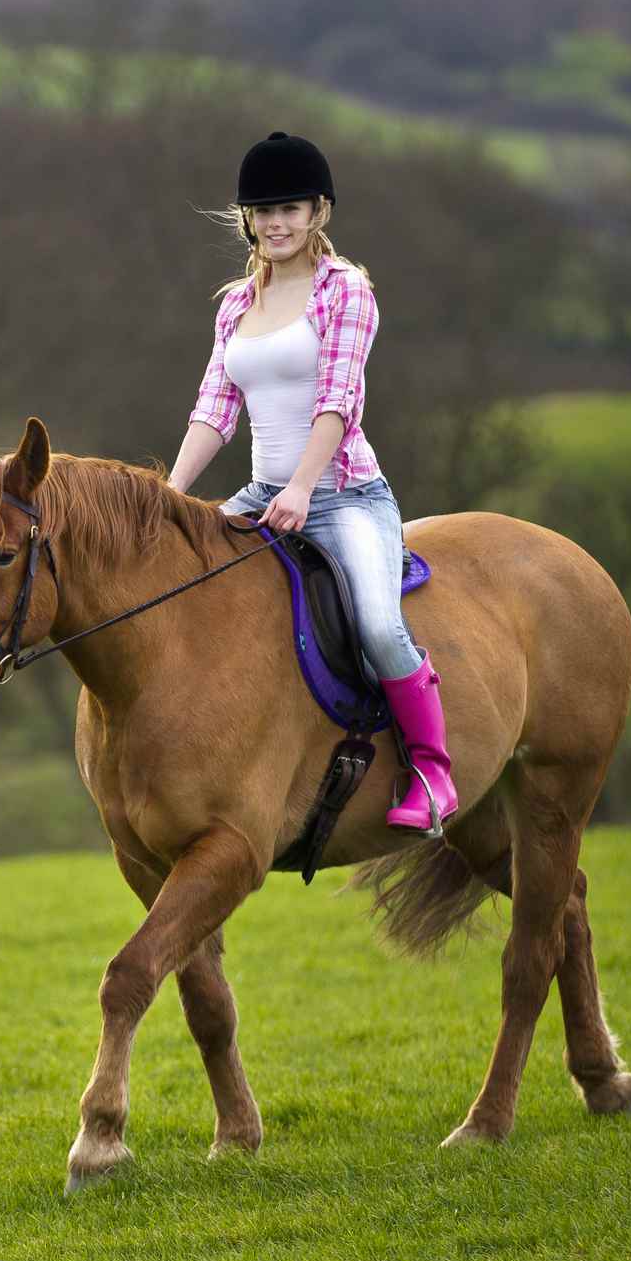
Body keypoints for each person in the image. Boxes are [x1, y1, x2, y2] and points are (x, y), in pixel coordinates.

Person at [166, 131, 457, 834]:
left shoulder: (345, 291)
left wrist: (300, 488)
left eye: (289, 208)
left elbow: (337, 400)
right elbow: (215, 409)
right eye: (262, 210)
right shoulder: (235, 305)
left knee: (379, 627)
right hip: (263, 494)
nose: (275, 223)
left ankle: (431, 772)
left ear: (319, 210)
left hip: (342, 495)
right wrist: (169, 498)